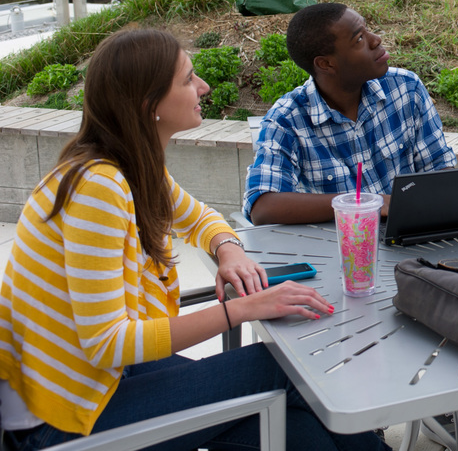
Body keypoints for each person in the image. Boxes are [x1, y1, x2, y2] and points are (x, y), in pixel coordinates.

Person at [0, 27, 388, 451]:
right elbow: (109, 343)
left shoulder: (128, 165)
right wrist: (243, 309)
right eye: (187, 79)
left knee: (303, 434)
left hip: (102, 384)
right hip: (63, 417)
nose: (202, 87)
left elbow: (200, 217)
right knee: (281, 369)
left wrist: (229, 250)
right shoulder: (98, 187)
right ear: (150, 106)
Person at [244, 2, 456, 225]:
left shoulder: (405, 87)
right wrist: (364, 204)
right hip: (340, 250)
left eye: (368, 29)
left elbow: (439, 169)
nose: (376, 40)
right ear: (326, 64)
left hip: (410, 239)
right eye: (359, 39)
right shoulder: (287, 119)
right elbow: (263, 207)